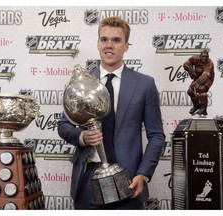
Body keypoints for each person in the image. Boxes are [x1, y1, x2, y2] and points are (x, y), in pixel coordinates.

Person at [57, 16, 165, 209]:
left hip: (130, 180)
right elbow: (63, 125)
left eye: (116, 40)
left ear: (126, 45)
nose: (109, 45)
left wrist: (143, 174)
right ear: (98, 43)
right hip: (87, 180)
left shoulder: (144, 84)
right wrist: (82, 136)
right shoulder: (81, 84)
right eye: (104, 39)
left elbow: (156, 136)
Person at [183, 49, 214, 116]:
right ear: (200, 56)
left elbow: (205, 76)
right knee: (190, 91)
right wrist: (191, 71)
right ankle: (196, 105)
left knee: (201, 88)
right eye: (203, 56)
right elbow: (186, 64)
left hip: (208, 79)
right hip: (197, 78)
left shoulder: (210, 64)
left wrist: (196, 82)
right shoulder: (195, 58)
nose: (204, 58)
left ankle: (204, 108)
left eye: (206, 57)